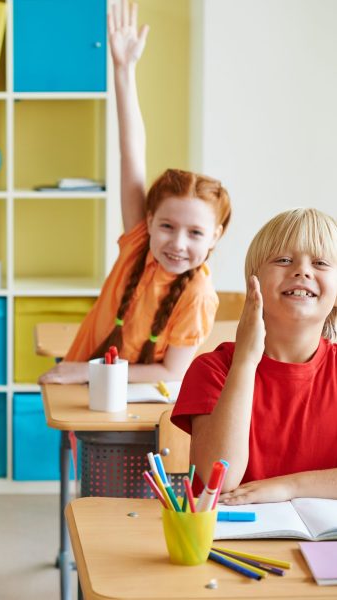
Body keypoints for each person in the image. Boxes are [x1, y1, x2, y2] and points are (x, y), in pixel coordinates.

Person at [39, 1, 231, 385]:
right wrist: (123, 71)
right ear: (148, 221)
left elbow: (171, 372)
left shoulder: (197, 294)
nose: (177, 243)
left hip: (129, 409)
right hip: (83, 390)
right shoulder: (140, 244)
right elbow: (132, 152)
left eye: (194, 233)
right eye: (167, 226)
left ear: (216, 236)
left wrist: (81, 372)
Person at [172, 208, 337, 503]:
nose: (302, 271)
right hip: (233, 543)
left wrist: (289, 487)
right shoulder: (212, 369)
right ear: (254, 281)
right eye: (284, 260)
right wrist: (246, 361)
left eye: (321, 262)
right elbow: (218, 479)